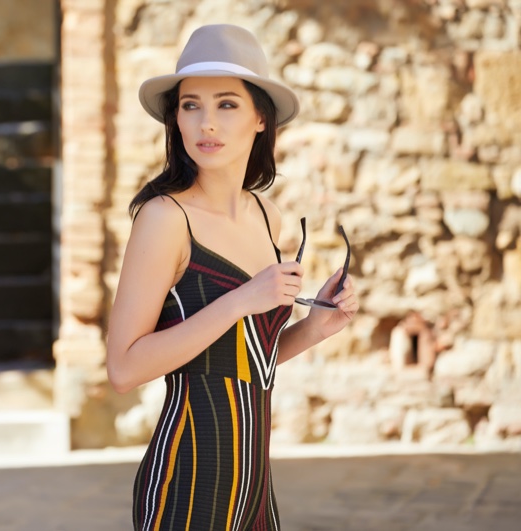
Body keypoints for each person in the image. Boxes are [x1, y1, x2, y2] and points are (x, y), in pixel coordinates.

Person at [106, 24, 359, 530]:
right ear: (175, 118)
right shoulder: (164, 219)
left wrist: (312, 330)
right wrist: (241, 300)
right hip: (188, 482)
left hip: (254, 486)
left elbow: (240, 364)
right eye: (190, 105)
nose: (206, 123)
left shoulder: (268, 216)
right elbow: (123, 369)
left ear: (260, 118)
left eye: (226, 104)